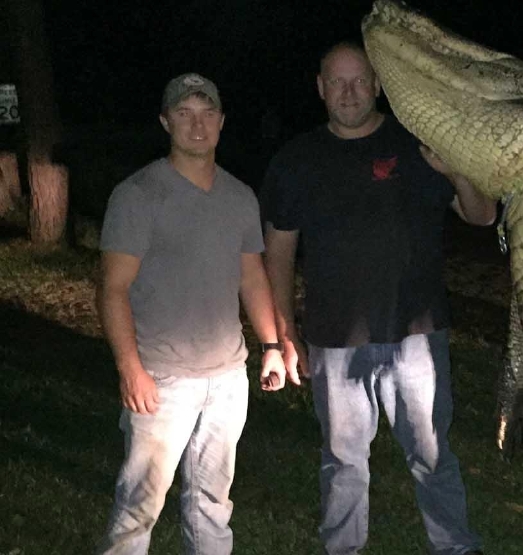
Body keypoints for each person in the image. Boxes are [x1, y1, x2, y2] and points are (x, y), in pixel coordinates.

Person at [262, 42, 495, 555]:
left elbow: (483, 215)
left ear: (378, 85)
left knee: (432, 452)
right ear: (320, 88)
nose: (349, 92)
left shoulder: (417, 145)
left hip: (417, 335)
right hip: (334, 337)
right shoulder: (296, 160)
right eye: (337, 82)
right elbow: (278, 252)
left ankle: (455, 545)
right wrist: (285, 331)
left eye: (359, 81)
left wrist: (455, 168)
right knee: (343, 459)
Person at [96, 73, 300, 555]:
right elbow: (111, 289)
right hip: (162, 379)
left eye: (207, 113)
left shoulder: (239, 196)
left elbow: (252, 277)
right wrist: (131, 370)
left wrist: (271, 346)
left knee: (212, 503)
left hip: (227, 380)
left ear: (222, 121)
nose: (197, 124)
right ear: (165, 121)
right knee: (139, 506)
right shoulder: (137, 195)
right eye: (184, 113)